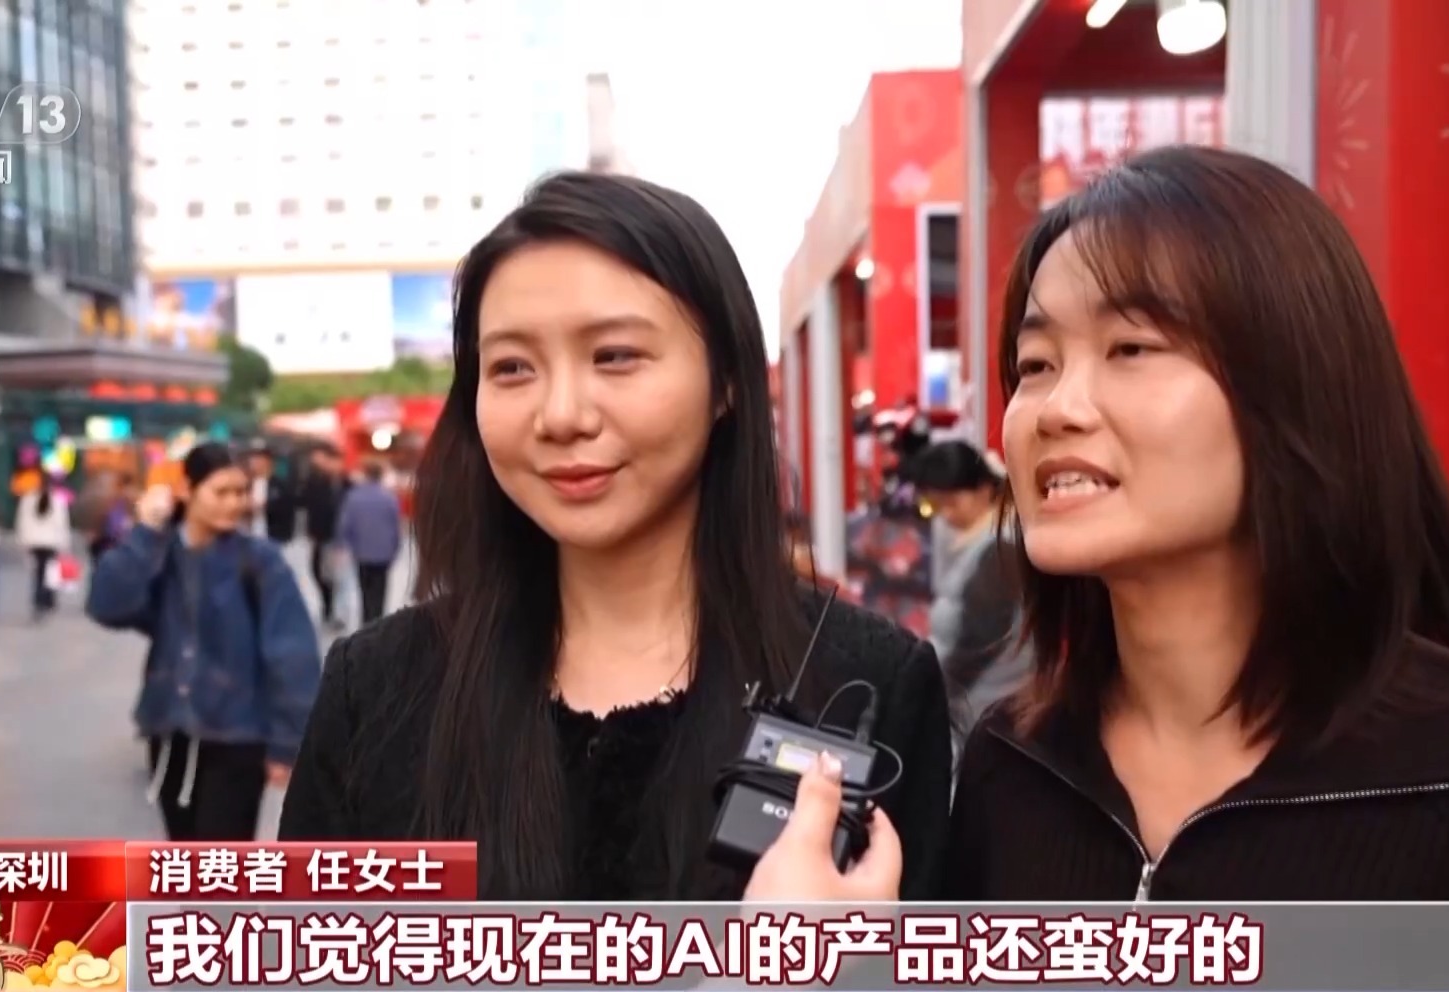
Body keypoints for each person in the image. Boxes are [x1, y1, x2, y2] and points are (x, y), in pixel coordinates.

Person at [745, 145, 1449, 904]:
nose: (1057, 407)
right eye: (1037, 362)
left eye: (1130, 349)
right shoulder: (1011, 769)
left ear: (1297, 391)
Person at [277, 172, 954, 901]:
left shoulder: (868, 684)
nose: (561, 415)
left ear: (726, 380)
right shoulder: (376, 689)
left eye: (615, 356)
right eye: (511, 368)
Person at [87, 442, 322, 840]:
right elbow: (107, 605)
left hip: (238, 737)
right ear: (187, 490)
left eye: (241, 492)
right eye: (221, 492)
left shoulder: (261, 561)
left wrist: (287, 743)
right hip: (170, 733)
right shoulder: (161, 554)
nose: (234, 503)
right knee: (183, 855)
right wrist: (145, 532)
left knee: (220, 860)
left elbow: (292, 655)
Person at [905, 440, 1025, 756]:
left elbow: (981, 639)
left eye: (952, 502)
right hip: (976, 706)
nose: (945, 514)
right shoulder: (986, 539)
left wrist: (931, 688)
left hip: (985, 706)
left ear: (983, 490)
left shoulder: (999, 549)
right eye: (936, 505)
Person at [336, 462, 402, 626]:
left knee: (364, 591)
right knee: (380, 591)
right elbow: (396, 526)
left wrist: (345, 544)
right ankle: (378, 622)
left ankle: (366, 623)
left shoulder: (353, 497)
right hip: (383, 554)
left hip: (361, 553)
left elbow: (345, 524)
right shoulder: (389, 498)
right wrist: (395, 549)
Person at [299, 448, 348, 628]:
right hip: (320, 537)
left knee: (335, 577)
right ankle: (328, 607)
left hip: (338, 539)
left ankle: (336, 613)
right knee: (318, 572)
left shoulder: (345, 484)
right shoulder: (316, 482)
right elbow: (306, 503)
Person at [14, 473, 71, 620]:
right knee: (49, 573)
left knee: (38, 573)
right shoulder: (57, 501)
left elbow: (22, 522)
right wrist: (64, 543)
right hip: (50, 542)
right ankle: (47, 600)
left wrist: (22, 541)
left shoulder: (27, 500)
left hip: (34, 542)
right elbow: (61, 524)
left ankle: (38, 600)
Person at [245, 447, 297, 545]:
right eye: (252, 459)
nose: (253, 463)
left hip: (273, 537)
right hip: (250, 537)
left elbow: (285, 509)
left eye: (257, 459)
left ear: (267, 462)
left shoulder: (281, 486)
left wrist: (263, 506)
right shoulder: (247, 483)